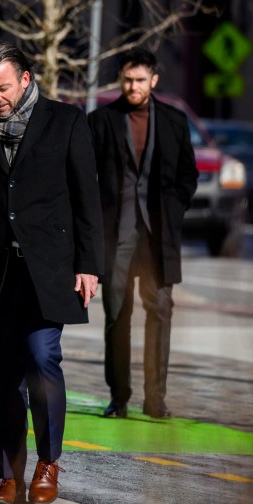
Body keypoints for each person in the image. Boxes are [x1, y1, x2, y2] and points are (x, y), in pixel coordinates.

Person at [0, 42, 103, 504]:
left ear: (26, 79)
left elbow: (86, 200)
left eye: (4, 87)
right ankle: (10, 476)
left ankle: (48, 463)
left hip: (48, 271)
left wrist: (88, 265)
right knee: (6, 379)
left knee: (42, 359)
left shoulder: (65, 121)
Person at [87, 47, 199, 420]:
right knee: (117, 315)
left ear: (153, 80)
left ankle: (156, 399)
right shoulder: (101, 121)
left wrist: (175, 211)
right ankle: (118, 398)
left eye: (139, 80)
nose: (133, 86)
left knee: (161, 311)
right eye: (127, 80)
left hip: (158, 236)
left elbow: (188, 176)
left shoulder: (174, 122)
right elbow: (86, 179)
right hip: (115, 234)